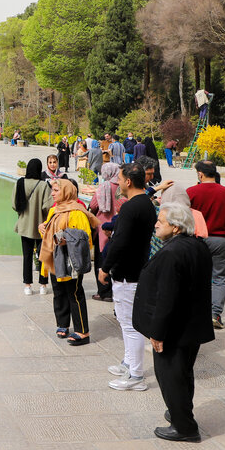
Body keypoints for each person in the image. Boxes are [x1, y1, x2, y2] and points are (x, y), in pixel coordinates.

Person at [133, 202, 214, 443]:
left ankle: (185, 427)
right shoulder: (197, 246)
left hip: (174, 329)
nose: (156, 223)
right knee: (182, 373)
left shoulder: (171, 253)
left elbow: (166, 297)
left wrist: (157, 333)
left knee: (170, 377)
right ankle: (180, 413)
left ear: (176, 228)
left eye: (162, 220)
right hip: (191, 325)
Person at [100, 163, 156, 391]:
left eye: (120, 179)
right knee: (126, 322)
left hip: (128, 273)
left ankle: (136, 375)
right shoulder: (146, 204)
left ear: (129, 181)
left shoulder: (131, 207)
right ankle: (128, 362)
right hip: (136, 268)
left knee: (129, 324)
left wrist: (105, 267)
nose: (119, 183)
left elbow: (119, 241)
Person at [39, 178, 98, 346]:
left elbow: (84, 237)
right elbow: (48, 228)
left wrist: (67, 238)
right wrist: (42, 227)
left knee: (74, 292)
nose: (52, 193)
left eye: (56, 190)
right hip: (55, 258)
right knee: (58, 291)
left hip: (70, 260)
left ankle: (82, 331)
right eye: (53, 190)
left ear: (66, 192)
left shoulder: (77, 212)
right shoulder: (55, 210)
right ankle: (62, 324)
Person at [187, 161, 225, 330]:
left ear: (200, 174)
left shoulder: (191, 191)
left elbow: (182, 215)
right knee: (219, 278)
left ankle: (197, 312)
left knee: (196, 277)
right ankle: (215, 314)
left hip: (197, 240)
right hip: (221, 240)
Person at [12, 159, 52, 295]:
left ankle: (28, 285)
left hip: (24, 225)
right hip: (41, 226)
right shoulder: (43, 185)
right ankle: (43, 284)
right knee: (43, 255)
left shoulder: (19, 183)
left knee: (27, 256)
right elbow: (47, 206)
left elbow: (14, 205)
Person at [89, 162, 125, 303]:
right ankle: (114, 291)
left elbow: (93, 205)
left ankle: (104, 292)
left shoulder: (104, 186)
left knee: (101, 259)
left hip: (103, 228)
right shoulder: (122, 186)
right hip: (118, 226)